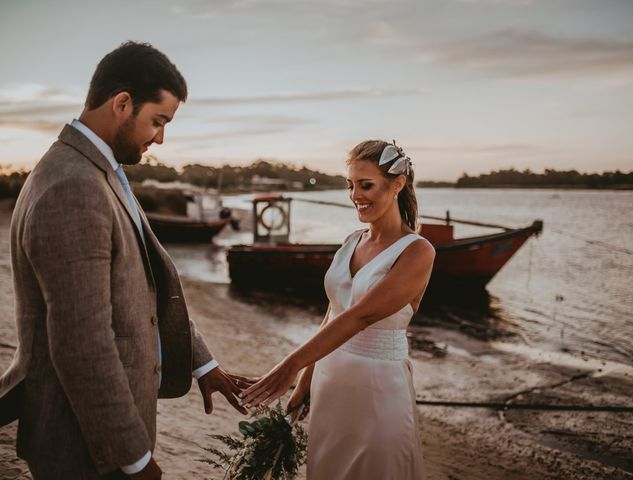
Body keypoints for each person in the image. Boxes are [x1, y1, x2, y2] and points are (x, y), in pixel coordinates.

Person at [0, 41, 251, 479]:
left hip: (99, 440)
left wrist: (203, 364)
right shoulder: (73, 187)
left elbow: (144, 283)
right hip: (84, 446)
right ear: (122, 103)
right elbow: (82, 343)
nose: (161, 138)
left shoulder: (100, 171)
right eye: (158, 121)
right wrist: (132, 458)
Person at [240, 140, 436, 479]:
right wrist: (305, 381)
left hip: (378, 387)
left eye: (366, 185)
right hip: (330, 383)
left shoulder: (417, 252)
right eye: (351, 185)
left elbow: (361, 315)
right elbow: (333, 314)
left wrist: (291, 364)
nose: (356, 195)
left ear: (398, 185)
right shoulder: (350, 242)